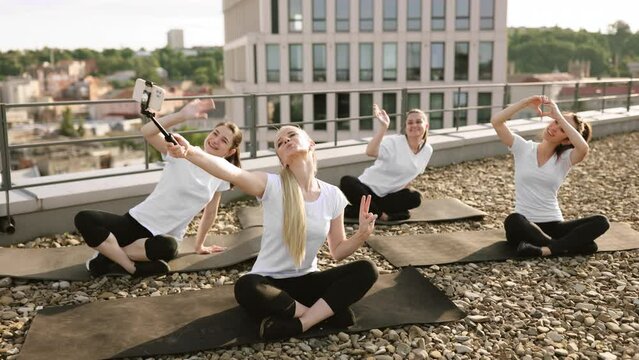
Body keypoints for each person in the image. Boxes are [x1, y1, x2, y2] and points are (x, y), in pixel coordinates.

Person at [167, 125, 379, 340]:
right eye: (279, 142)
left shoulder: (333, 195)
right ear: (282, 159)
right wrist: (191, 152)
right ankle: (320, 315)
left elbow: (338, 252)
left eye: (292, 135)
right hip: (270, 284)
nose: (285, 140)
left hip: (308, 280)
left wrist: (361, 234)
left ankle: (300, 324)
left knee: (367, 269)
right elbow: (232, 172)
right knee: (246, 286)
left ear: (311, 144)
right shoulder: (271, 185)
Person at [74, 99, 243, 277]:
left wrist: (199, 246)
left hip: (162, 238)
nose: (215, 140)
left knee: (169, 248)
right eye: (215, 133)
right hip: (136, 221)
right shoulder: (181, 151)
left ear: (230, 151)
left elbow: (210, 213)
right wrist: (182, 115)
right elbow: (147, 132)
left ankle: (108, 255)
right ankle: (132, 267)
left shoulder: (221, 174)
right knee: (84, 218)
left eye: (223, 140)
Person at [491, 95, 609, 257]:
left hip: (554, 226)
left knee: (601, 221)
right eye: (554, 122)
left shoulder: (566, 158)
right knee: (513, 220)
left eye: (562, 128)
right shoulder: (523, 148)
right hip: (525, 224)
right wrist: (525, 102)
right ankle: (565, 246)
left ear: (567, 140)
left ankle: (545, 250)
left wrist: (559, 116)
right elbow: (496, 121)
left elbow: (583, 148)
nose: (554, 127)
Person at [340, 104, 433, 222]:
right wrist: (383, 127)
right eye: (410, 123)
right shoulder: (394, 142)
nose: (414, 125)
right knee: (347, 181)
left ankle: (361, 211)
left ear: (426, 125)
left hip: (387, 196)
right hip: (366, 190)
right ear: (405, 127)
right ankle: (382, 215)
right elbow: (370, 151)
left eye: (418, 122)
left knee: (415, 198)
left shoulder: (427, 150)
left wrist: (399, 193)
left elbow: (412, 175)